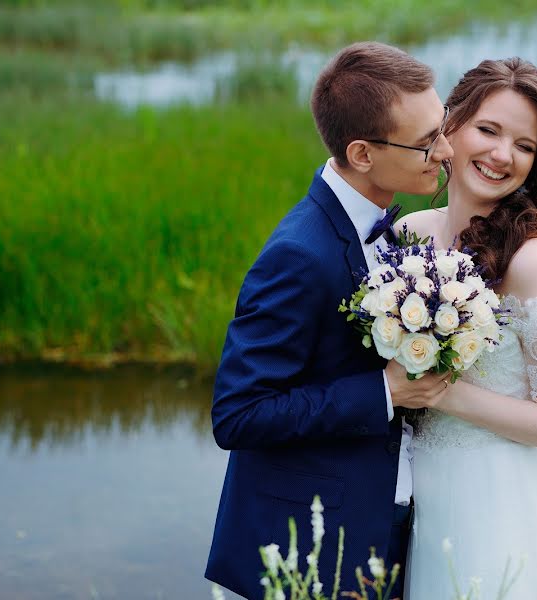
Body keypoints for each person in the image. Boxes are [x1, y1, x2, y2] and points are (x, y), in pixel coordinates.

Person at [206, 42, 454, 599]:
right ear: (362, 154)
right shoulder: (297, 255)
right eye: (425, 143)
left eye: (443, 127)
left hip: (385, 514)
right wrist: (382, 393)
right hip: (312, 548)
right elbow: (238, 414)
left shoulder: (391, 225)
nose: (445, 150)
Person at [398, 57, 537, 599]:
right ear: (451, 125)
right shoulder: (407, 234)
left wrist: (446, 396)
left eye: (524, 145)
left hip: (497, 501)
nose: (501, 155)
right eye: (488, 130)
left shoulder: (532, 262)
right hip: (413, 493)